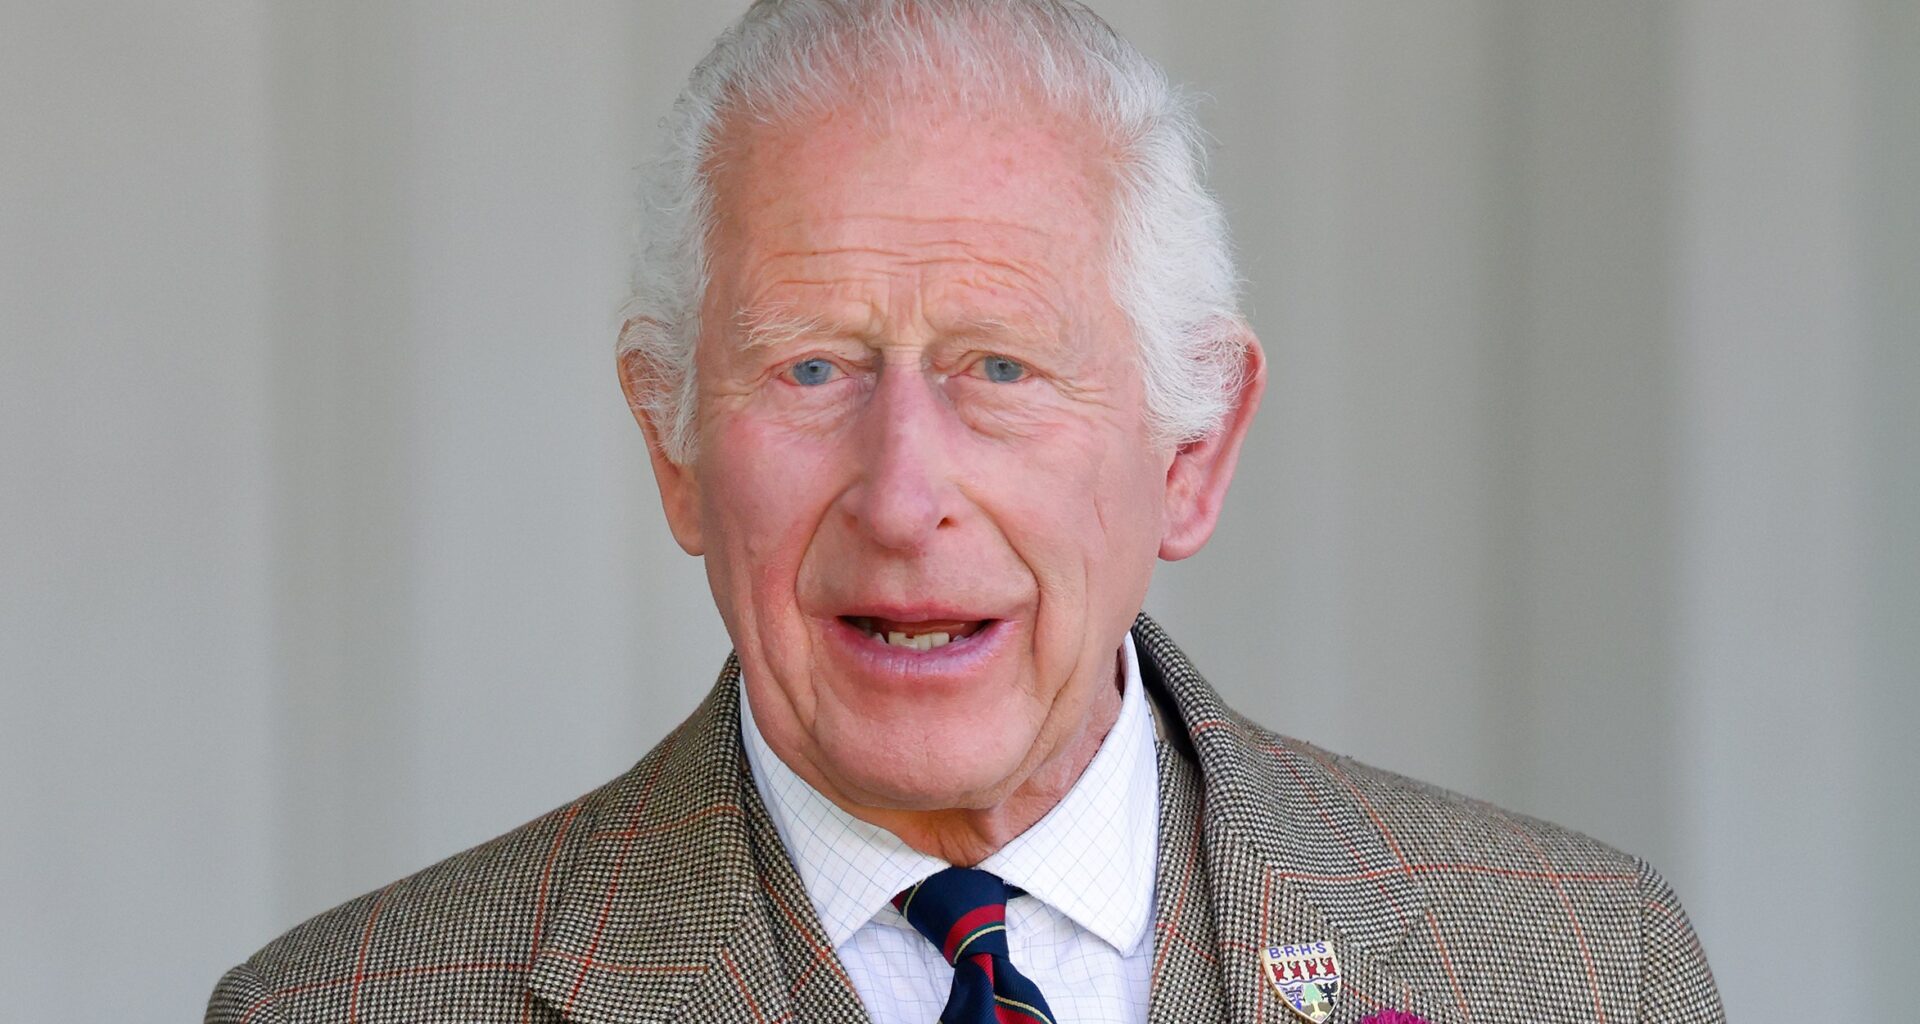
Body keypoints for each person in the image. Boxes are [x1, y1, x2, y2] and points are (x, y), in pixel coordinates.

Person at [208, 2, 1724, 1022]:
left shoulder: (1583, 970)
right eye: (812, 368)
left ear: (1191, 449)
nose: (903, 491)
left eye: (999, 367)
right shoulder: (344, 1007)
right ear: (672, 443)